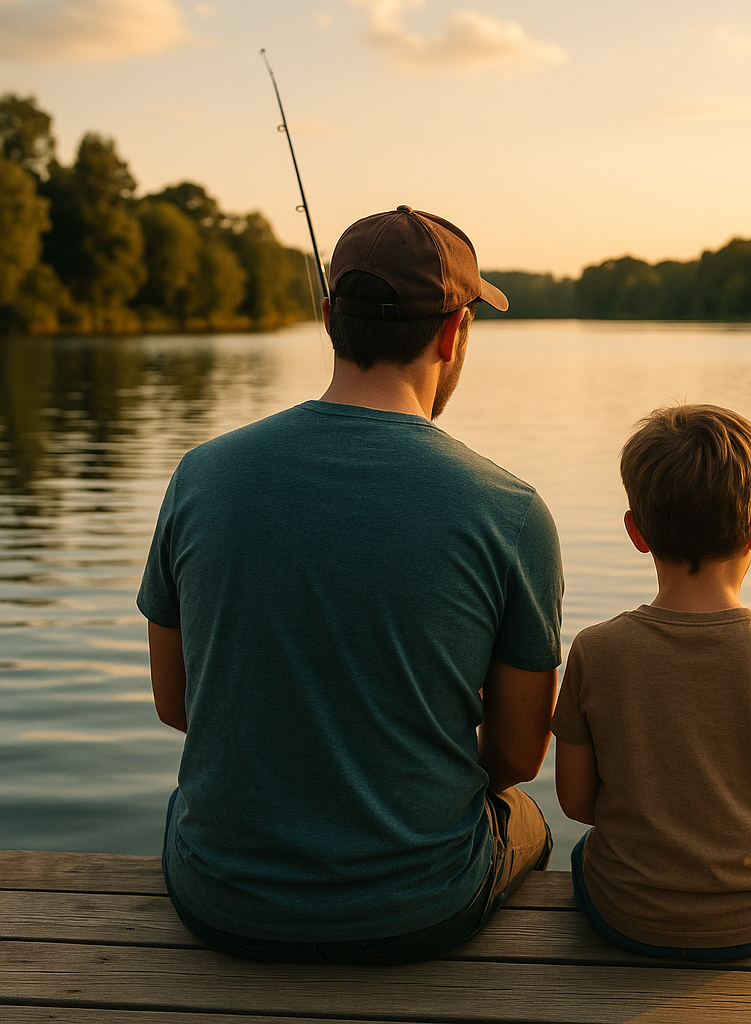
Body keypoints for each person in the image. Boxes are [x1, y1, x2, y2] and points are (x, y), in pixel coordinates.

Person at [137, 206, 563, 965]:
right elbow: (516, 757)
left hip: (221, 902)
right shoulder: (511, 510)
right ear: (453, 333)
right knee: (527, 816)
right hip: (420, 911)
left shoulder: (200, 475)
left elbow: (177, 704)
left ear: (330, 317)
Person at [552, 404, 751, 961]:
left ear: (636, 531)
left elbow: (576, 803)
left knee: (584, 852)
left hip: (627, 915)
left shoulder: (594, 650)